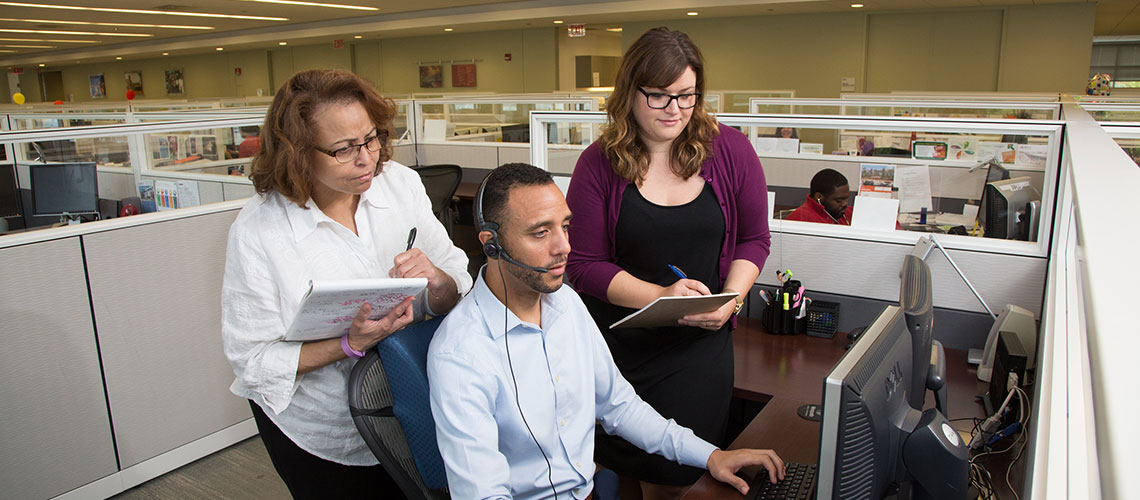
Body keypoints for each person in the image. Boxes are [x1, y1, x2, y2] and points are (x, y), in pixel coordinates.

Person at [428, 163, 785, 500]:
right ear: (492, 243)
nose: (564, 247)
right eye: (541, 232)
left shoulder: (565, 303)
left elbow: (620, 407)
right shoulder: (461, 354)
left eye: (564, 227)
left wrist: (711, 457)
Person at [220, 69, 471, 499]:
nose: (366, 158)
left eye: (371, 139)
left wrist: (437, 280)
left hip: (409, 395)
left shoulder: (399, 185)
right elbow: (254, 361)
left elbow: (456, 286)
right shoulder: (261, 229)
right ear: (297, 154)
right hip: (321, 424)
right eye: (343, 149)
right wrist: (349, 345)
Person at [564, 27, 771, 499]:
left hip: (699, 347)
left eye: (687, 96)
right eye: (659, 97)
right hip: (621, 347)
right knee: (622, 475)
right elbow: (584, 264)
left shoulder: (731, 151)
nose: (675, 110)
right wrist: (661, 296)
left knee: (677, 479)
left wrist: (732, 301)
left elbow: (755, 240)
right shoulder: (598, 163)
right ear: (630, 91)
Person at [786, 168, 853, 225]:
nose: (845, 204)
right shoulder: (799, 219)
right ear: (819, 197)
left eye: (846, 199)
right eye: (839, 200)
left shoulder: (849, 212)